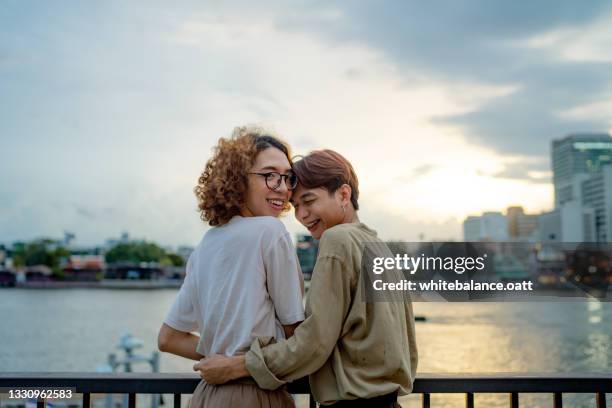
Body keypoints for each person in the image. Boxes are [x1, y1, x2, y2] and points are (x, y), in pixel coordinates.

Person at [194, 149, 418, 407]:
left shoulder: (337, 240)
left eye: (309, 201)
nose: (301, 215)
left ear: (344, 194)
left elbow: (313, 342)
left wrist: (238, 366)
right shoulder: (380, 248)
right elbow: (408, 346)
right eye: (296, 206)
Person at [157, 126, 305, 408]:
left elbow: (168, 338)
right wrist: (241, 364)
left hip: (206, 397)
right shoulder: (270, 232)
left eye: (288, 178)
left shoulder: (206, 244)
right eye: (269, 176)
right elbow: (296, 335)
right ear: (238, 179)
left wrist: (221, 359)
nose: (283, 188)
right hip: (255, 394)